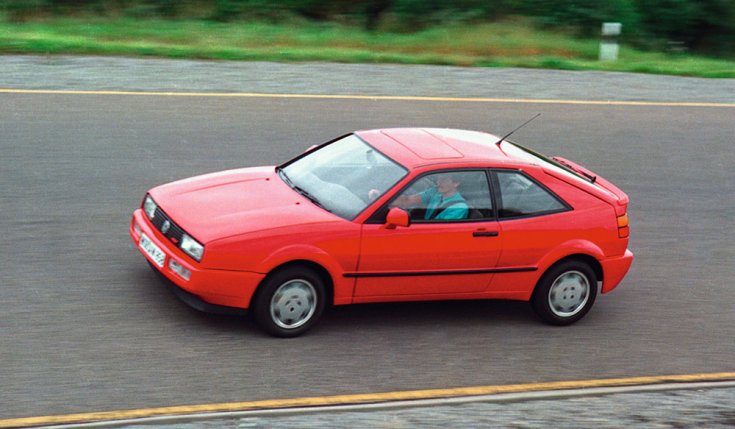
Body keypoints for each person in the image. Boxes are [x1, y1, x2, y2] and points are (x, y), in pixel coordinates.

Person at [394, 173, 469, 220]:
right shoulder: (435, 191)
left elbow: (440, 229)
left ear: (456, 183)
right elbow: (408, 200)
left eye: (444, 180)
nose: (438, 183)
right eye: (438, 179)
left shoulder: (459, 207)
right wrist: (387, 199)